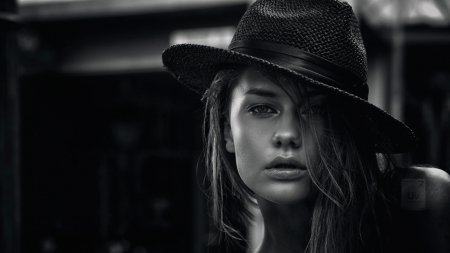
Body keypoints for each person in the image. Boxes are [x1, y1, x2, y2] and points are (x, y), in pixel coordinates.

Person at [162, 0, 450, 252]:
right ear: (227, 132)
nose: (287, 134)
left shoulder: (418, 204)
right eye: (262, 108)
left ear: (347, 128)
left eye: (316, 110)